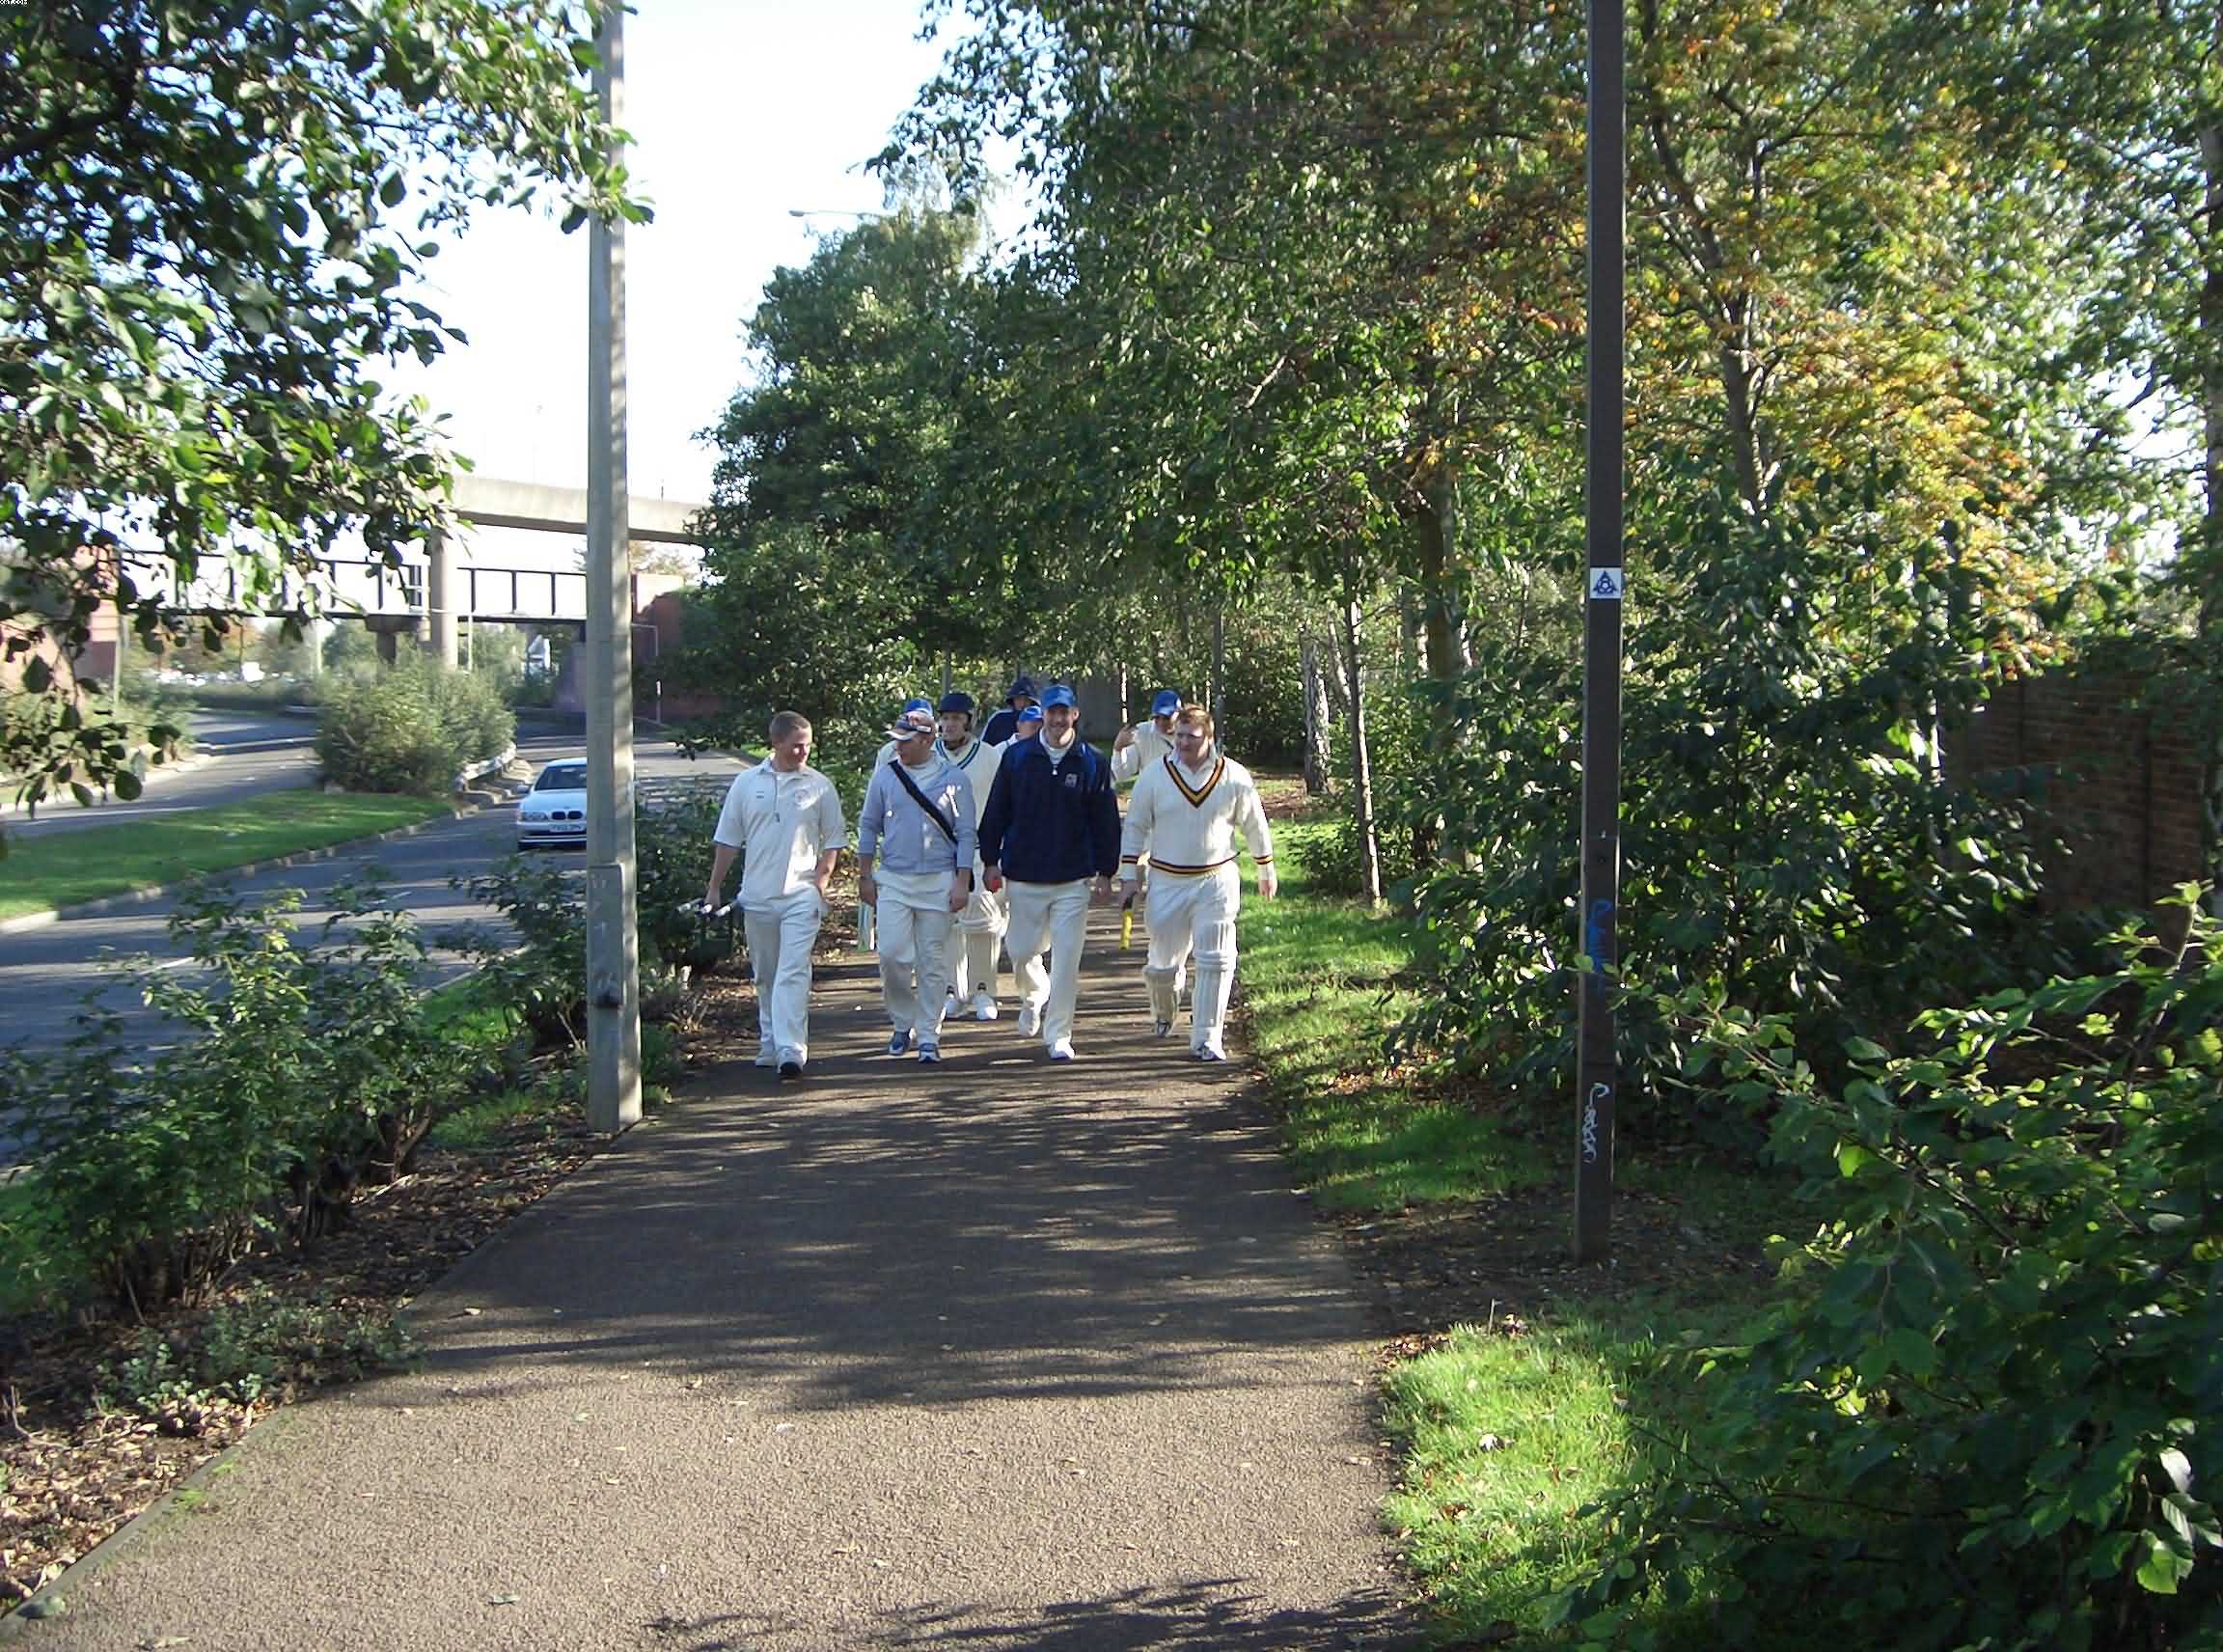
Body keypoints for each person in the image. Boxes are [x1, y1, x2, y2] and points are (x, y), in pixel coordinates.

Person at [1117, 703, 1276, 1061]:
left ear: (1210, 737)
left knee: (1217, 959)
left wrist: (1265, 867)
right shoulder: (1155, 776)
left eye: (1192, 736)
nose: (1184, 742)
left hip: (1216, 879)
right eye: (1179, 735)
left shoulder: (1233, 775)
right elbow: (1136, 826)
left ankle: (1206, 1037)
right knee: (1162, 965)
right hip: (1166, 880)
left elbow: (1254, 823)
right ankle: (1163, 1007)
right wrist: (1129, 876)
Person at [978, 682, 1121, 1060]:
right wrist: (991, 859)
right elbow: (997, 810)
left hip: (1072, 877)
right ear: (1043, 715)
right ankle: (1033, 995)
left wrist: (1106, 870)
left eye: (1065, 713)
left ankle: (1059, 1035)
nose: (1058, 720)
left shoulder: (1091, 760)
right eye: (1052, 712)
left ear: (1075, 715)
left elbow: (1105, 818)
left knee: (1068, 962)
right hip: (1024, 874)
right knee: (1022, 951)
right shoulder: (1018, 758)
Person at [705, 710, 848, 1080]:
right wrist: (715, 886)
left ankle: (791, 1049)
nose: (804, 752)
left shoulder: (819, 785)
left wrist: (822, 881)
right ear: (777, 742)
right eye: (798, 745)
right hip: (757, 896)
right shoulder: (745, 784)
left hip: (801, 894)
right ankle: (770, 1041)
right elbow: (728, 839)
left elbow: (834, 838)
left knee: (792, 971)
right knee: (766, 974)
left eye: (808, 745)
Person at [855, 706, 976, 1063]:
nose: (899, 748)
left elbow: (966, 833)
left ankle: (928, 1034)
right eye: (896, 741)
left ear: (928, 740)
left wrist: (962, 882)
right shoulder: (886, 776)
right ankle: (901, 1021)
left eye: (906, 741)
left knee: (932, 961)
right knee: (892, 955)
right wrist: (865, 874)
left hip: (939, 879)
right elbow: (868, 825)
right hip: (894, 878)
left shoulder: (954, 779)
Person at [931, 690, 1009, 1020]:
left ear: (969, 722)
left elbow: (1004, 803)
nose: (950, 725)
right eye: (945, 718)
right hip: (937, 852)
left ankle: (983, 990)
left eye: (956, 719)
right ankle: (953, 990)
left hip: (980, 849)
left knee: (983, 922)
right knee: (946, 922)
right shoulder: (928, 754)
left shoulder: (989, 756)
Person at [1111, 688, 1183, 782]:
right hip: (1152, 794)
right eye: (1156, 717)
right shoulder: (1141, 732)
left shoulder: (1191, 734)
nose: (1161, 722)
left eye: (1166, 717)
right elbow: (1121, 775)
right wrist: (1118, 748)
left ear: (1180, 713)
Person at [979, 675, 1038, 746]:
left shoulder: (1039, 719)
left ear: (1032, 702)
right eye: (1019, 699)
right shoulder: (998, 718)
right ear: (1013, 700)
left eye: (1026, 700)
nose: (1022, 704)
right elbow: (983, 746)